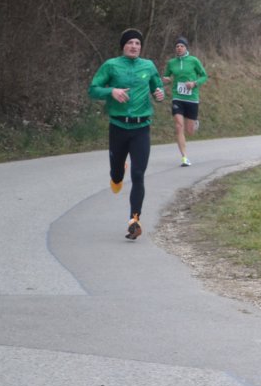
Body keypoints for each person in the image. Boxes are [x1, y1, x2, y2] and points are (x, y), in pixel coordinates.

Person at [88, 28, 165, 240]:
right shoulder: (111, 65)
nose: (134, 46)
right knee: (116, 176)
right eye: (130, 42)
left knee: (138, 174)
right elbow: (93, 89)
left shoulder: (148, 66)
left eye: (137, 43)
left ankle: (134, 220)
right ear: (123, 46)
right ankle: (118, 170)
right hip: (118, 127)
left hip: (141, 128)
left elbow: (158, 88)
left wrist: (160, 94)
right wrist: (111, 91)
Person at [161, 36, 208, 166]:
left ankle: (194, 123)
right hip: (177, 97)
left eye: (182, 46)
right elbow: (166, 76)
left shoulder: (194, 61)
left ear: (186, 48)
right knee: (178, 126)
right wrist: (166, 79)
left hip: (192, 98)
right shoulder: (171, 63)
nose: (179, 48)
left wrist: (194, 83)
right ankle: (184, 157)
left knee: (190, 131)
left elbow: (204, 76)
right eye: (177, 46)